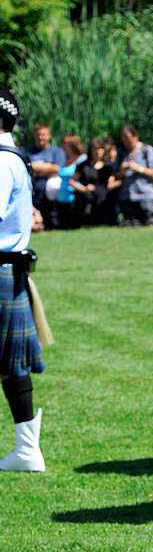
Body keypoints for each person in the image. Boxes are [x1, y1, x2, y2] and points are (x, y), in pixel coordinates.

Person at [0, 87, 46, 471]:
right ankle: (26, 449)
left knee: (12, 363)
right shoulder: (13, 156)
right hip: (8, 269)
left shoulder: (1, 161)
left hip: (1, 267)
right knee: (11, 363)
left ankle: (28, 450)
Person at [115, 124, 153, 226]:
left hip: (146, 197)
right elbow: (116, 176)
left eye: (127, 138)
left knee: (149, 226)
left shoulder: (147, 150)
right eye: (123, 139)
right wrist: (122, 170)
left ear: (135, 136)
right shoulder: (121, 153)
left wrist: (139, 168)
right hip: (127, 198)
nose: (125, 142)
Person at [71, 138, 116, 227]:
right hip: (85, 201)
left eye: (100, 149)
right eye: (95, 149)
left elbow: (111, 182)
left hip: (103, 201)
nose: (97, 152)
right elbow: (71, 181)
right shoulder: (83, 165)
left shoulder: (109, 167)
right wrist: (83, 189)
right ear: (90, 150)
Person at [28, 123, 65, 230]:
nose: (40, 137)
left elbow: (57, 168)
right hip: (33, 191)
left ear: (49, 136)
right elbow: (28, 167)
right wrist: (48, 166)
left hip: (51, 192)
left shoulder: (57, 151)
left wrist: (37, 168)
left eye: (43, 135)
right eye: (38, 135)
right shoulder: (29, 152)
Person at [55, 135, 87, 230]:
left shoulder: (82, 159)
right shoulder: (65, 159)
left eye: (65, 144)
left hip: (74, 198)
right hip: (62, 197)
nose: (63, 146)